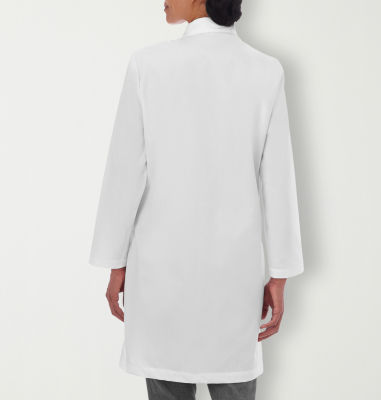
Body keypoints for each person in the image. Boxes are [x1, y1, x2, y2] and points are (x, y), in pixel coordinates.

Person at [89, 0, 304, 399]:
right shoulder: (265, 70)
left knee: (166, 375)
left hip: (161, 276)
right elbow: (278, 180)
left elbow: (124, 172)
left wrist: (116, 261)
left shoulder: (147, 65)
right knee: (235, 381)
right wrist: (279, 274)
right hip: (235, 276)